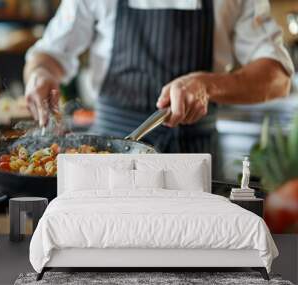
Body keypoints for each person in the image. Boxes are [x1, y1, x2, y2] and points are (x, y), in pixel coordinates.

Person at [23, 0, 293, 177]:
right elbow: (48, 54)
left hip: (193, 160)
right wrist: (40, 74)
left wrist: (208, 85)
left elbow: (278, 76)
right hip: (111, 153)